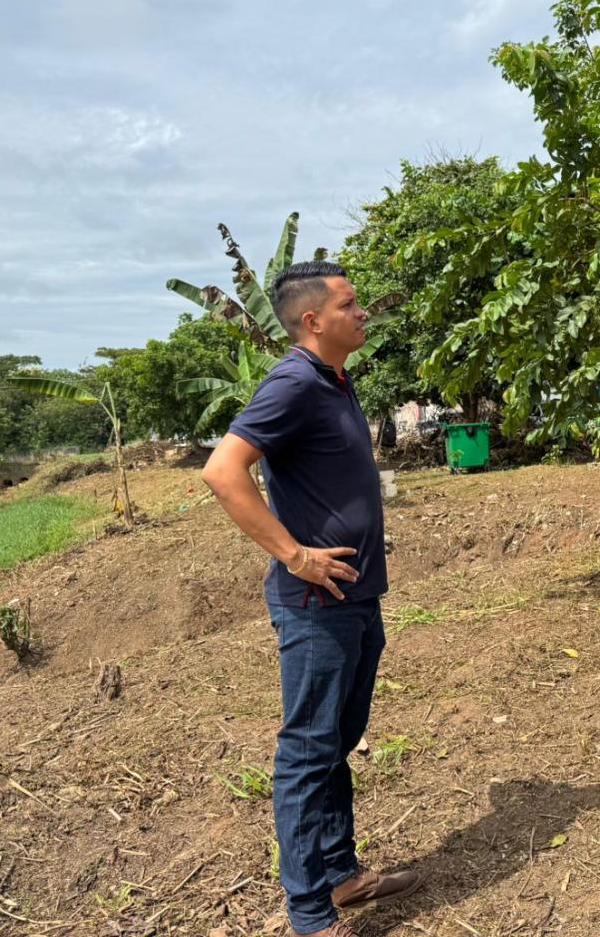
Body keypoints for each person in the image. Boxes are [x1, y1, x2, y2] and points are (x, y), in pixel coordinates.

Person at [202, 261, 421, 937]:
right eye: (350, 305)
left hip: (356, 596)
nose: (363, 313)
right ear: (311, 320)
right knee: (306, 751)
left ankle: (340, 873)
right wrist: (294, 554)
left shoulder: (335, 378)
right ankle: (308, 911)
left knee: (336, 740)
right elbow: (222, 469)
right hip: (316, 603)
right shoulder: (294, 380)